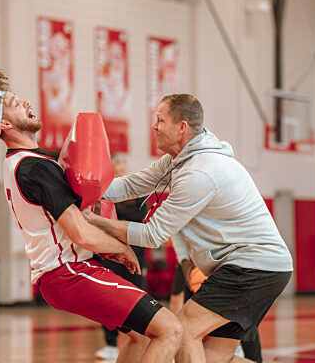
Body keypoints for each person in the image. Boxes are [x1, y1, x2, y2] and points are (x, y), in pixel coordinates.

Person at [0, 70, 182, 363]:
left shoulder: (21, 163)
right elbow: (79, 231)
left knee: (142, 335)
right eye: (16, 104)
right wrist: (121, 248)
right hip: (69, 272)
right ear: (5, 124)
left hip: (65, 272)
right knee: (170, 330)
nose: (26, 102)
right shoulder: (35, 167)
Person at [84, 93, 293, 363]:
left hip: (253, 267)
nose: (154, 126)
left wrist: (97, 222)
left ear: (181, 127)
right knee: (213, 357)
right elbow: (131, 185)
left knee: (182, 330)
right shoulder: (178, 160)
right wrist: (82, 190)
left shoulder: (199, 172)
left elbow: (153, 234)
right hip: (259, 267)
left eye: (160, 119)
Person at [94, 155, 149, 361]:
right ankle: (110, 343)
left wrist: (118, 219)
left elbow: (139, 217)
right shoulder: (103, 194)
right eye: (117, 171)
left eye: (124, 170)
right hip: (109, 254)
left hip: (135, 254)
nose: (121, 174)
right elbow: (103, 218)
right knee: (107, 299)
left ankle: (139, 338)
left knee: (136, 296)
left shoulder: (140, 194)